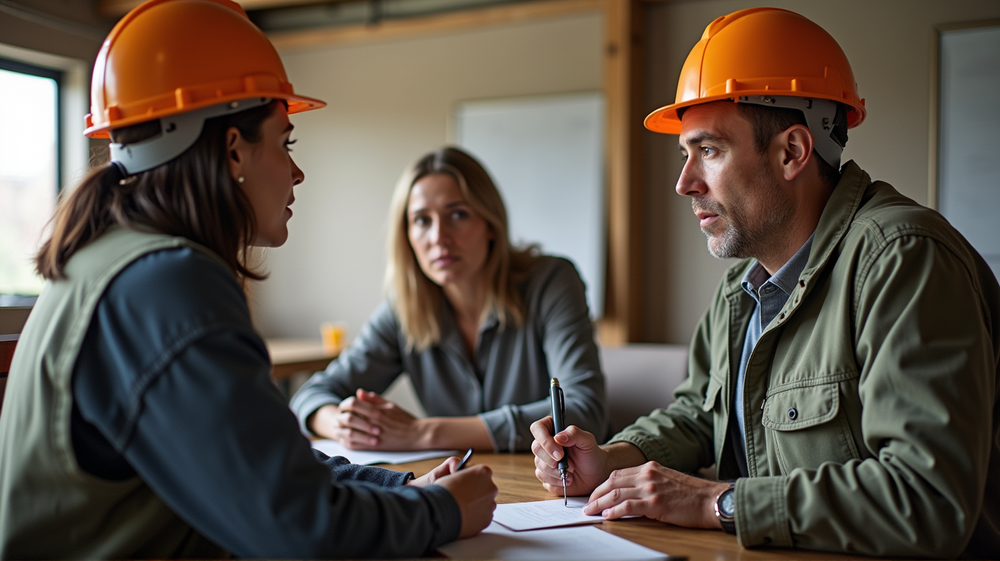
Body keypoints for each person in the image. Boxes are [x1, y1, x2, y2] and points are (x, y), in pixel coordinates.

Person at [0, 1, 496, 558]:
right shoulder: (166, 285)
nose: (297, 172)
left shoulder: (115, 262)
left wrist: (400, 488)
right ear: (234, 148)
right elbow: (301, 530)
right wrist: (442, 511)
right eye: (286, 143)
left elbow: (261, 458)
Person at [530, 7, 999, 558]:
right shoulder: (743, 289)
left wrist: (719, 503)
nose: (684, 183)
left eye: (708, 150)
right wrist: (610, 458)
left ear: (792, 152)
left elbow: (927, 499)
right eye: (686, 154)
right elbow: (700, 414)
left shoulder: (904, 259)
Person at [290, 146, 608, 453]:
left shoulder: (551, 281)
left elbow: (584, 411)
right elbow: (310, 396)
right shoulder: (404, 308)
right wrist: (344, 424)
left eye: (457, 214)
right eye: (422, 220)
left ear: (490, 225)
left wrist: (422, 433)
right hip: (454, 485)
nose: (439, 237)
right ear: (408, 237)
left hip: (547, 485)